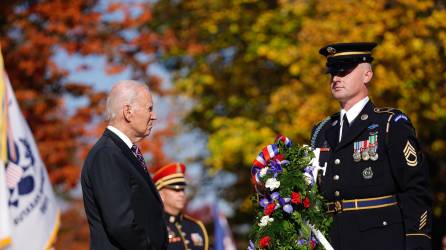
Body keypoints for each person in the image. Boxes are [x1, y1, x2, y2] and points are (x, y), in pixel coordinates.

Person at [310, 42, 432, 250]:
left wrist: (417, 241)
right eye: (332, 72)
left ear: (367, 75)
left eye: (344, 71)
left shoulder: (390, 124)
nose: (336, 78)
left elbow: (415, 189)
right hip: (331, 240)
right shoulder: (322, 130)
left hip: (381, 240)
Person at [81, 80, 168, 250]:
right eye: (149, 108)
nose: (154, 116)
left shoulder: (121, 153)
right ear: (128, 112)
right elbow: (121, 224)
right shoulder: (107, 155)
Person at [152, 162, 209, 250]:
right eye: (176, 189)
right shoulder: (153, 226)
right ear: (160, 194)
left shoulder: (196, 226)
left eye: (182, 189)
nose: (181, 194)